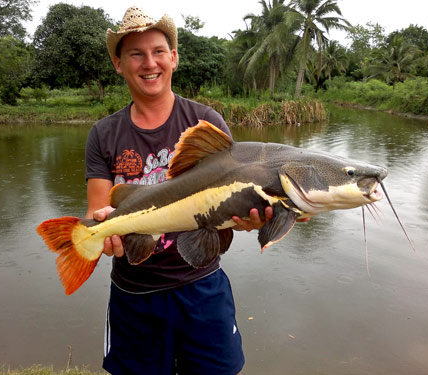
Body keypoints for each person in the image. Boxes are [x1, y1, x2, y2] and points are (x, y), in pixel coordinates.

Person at [85, 6, 272, 375]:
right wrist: (100, 229)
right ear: (118, 64)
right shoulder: (103, 134)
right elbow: (96, 211)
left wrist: (248, 221)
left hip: (202, 288)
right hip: (133, 295)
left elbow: (227, 208)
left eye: (157, 51)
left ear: (174, 57)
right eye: (135, 53)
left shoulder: (207, 125)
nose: (148, 63)